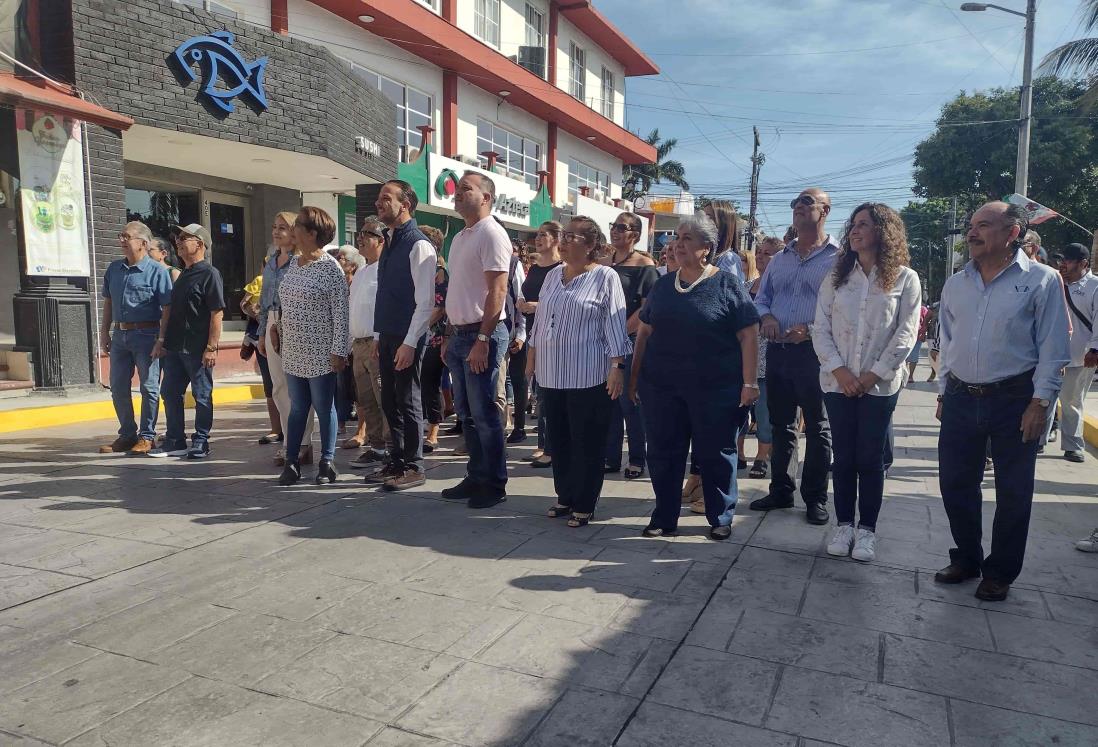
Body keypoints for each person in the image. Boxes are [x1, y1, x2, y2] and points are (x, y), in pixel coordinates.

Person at [935, 201, 1070, 601]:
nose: (971, 233)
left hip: (1015, 398)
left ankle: (1000, 572)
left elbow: (1054, 348)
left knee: (1013, 491)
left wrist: (1040, 403)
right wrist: (944, 391)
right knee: (955, 484)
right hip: (961, 395)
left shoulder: (1042, 280)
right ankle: (967, 557)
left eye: (983, 226)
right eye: (970, 225)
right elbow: (947, 339)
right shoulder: (956, 283)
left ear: (1013, 234)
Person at [631, 214, 760, 540]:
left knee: (716, 452)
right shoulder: (663, 285)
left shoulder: (726, 284)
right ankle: (664, 516)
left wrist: (749, 383)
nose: (678, 243)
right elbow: (644, 333)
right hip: (661, 388)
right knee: (662, 452)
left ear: (706, 248)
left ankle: (720, 517)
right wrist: (633, 378)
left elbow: (749, 335)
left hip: (715, 389)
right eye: (677, 237)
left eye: (687, 238)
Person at [813, 203, 921, 562]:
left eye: (864, 225)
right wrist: (841, 372)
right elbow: (821, 327)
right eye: (853, 225)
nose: (855, 231)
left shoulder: (905, 278)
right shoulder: (836, 276)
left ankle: (867, 531)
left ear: (884, 232)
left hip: (880, 386)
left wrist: (872, 374)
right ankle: (844, 525)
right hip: (837, 382)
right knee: (843, 458)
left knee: (870, 459)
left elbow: (906, 334)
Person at [527, 217, 631, 528]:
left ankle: (585, 502)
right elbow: (542, 321)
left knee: (587, 441)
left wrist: (617, 367)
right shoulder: (552, 276)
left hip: (589, 375)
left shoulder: (605, 277)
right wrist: (532, 359)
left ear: (590, 246)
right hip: (552, 374)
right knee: (558, 439)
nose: (565, 240)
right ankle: (565, 496)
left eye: (572, 237)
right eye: (565, 235)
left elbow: (615, 325)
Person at [750, 189, 840, 525]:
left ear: (825, 210)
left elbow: (843, 312)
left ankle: (815, 498)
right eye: (795, 204)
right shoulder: (780, 260)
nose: (799, 208)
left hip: (816, 355)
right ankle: (781, 490)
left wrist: (813, 329)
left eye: (807, 203)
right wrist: (767, 317)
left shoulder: (839, 259)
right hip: (779, 353)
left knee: (818, 427)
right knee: (780, 424)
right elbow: (762, 299)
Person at [359, 181, 436, 491]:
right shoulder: (390, 241)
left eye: (386, 198)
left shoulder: (419, 245)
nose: (379, 203)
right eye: (379, 198)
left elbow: (425, 303)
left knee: (407, 400)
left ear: (405, 204)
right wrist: (379, 336)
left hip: (408, 338)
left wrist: (409, 342)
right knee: (390, 400)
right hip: (388, 336)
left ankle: (413, 464)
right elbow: (385, 296)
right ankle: (396, 460)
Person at [441, 172, 512, 508]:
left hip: (480, 335)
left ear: (486, 197)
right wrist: (448, 335)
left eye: (466, 188)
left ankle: (494, 484)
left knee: (484, 414)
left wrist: (483, 338)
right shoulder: (460, 237)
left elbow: (498, 291)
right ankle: (476, 475)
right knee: (466, 415)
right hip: (459, 335)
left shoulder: (492, 234)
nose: (457, 192)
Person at [273, 207, 349, 485]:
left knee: (323, 406)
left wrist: (339, 351)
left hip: (321, 352)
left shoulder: (331, 268)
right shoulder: (294, 263)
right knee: (297, 408)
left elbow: (341, 313)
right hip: (293, 350)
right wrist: (277, 328)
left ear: (312, 233)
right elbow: (287, 303)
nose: (292, 230)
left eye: (298, 226)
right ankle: (292, 462)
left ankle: (326, 462)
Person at [149, 223, 225, 459]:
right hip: (175, 347)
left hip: (197, 348)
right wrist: (162, 340)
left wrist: (211, 347)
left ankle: (201, 440)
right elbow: (170, 311)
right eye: (178, 238)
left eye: (185, 238)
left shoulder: (209, 274)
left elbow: (217, 313)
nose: (179, 242)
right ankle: (175, 440)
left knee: (202, 395)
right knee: (170, 392)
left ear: (200, 244)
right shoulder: (182, 275)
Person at [98, 221, 173, 455]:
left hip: (147, 335)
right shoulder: (114, 269)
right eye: (120, 235)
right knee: (118, 386)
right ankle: (126, 434)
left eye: (126, 236)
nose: (122, 240)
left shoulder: (157, 271)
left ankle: (147, 436)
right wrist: (104, 333)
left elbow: (168, 308)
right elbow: (108, 302)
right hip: (120, 335)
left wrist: (161, 339)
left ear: (143, 243)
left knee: (149, 387)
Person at [603, 211, 659, 480]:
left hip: (630, 341)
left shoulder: (645, 266)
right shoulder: (603, 263)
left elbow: (647, 308)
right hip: (600, 342)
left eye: (622, 227)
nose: (615, 231)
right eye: (613, 226)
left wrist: (619, 331)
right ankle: (609, 456)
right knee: (608, 401)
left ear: (635, 235)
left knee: (629, 402)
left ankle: (637, 458)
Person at [258, 211, 314, 467]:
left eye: (283, 227)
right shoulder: (270, 262)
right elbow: (262, 300)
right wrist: (260, 333)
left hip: (293, 322)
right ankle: (289, 440)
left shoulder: (301, 261)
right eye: (274, 226)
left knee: (297, 387)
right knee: (278, 387)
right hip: (271, 321)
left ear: (295, 232)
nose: (276, 231)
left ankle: (303, 443)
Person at [518, 221, 563, 468]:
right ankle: (543, 445)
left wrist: (538, 306)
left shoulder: (562, 268)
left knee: (548, 394)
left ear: (557, 239)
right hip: (533, 332)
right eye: (538, 234)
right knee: (538, 392)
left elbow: (565, 303)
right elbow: (527, 293)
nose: (539, 238)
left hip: (554, 337)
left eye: (544, 235)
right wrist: (523, 303)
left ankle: (551, 447)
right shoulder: (535, 268)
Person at [347, 219, 390, 467]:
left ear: (382, 240)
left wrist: (379, 339)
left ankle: (392, 446)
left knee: (384, 398)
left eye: (368, 235)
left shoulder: (386, 270)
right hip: (358, 345)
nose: (360, 238)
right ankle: (376, 446)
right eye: (360, 234)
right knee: (366, 399)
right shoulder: (362, 272)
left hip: (376, 344)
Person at [1056, 243, 1098, 463]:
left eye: (1068, 260)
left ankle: (1073, 446)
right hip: (1050, 353)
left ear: (1083, 263)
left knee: (1072, 401)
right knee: (1042, 398)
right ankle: (1038, 441)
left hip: (1080, 356)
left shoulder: (1094, 286)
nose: (1063, 264)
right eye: (1062, 260)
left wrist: (1095, 348)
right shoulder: (1056, 282)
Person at [239, 273, 281, 444]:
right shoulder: (260, 280)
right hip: (261, 337)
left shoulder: (293, 275)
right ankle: (276, 429)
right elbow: (243, 303)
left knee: (290, 387)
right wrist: (254, 311)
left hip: (287, 338)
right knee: (269, 385)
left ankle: (295, 434)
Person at [420, 224, 449, 453]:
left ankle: (433, 431)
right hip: (418, 335)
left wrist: (419, 326)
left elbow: (440, 308)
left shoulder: (440, 273)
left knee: (430, 384)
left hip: (435, 338)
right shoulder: (421, 270)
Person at [332, 245, 363, 434]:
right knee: (341, 386)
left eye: (343, 258)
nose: (339, 260)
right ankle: (340, 423)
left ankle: (363, 429)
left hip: (357, 341)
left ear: (352, 265)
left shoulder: (358, 283)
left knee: (358, 387)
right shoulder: (338, 284)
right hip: (341, 342)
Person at [703, 199, 745, 283]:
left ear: (723, 224)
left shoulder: (728, 259)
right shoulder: (705, 255)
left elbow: (731, 293)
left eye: (709, 217)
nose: (703, 221)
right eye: (703, 217)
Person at [906, 304, 930, 384]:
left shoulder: (923, 309)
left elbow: (926, 321)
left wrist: (923, 333)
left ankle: (910, 376)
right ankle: (904, 375)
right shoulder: (906, 306)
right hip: (906, 336)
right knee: (904, 356)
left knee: (913, 356)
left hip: (917, 336)